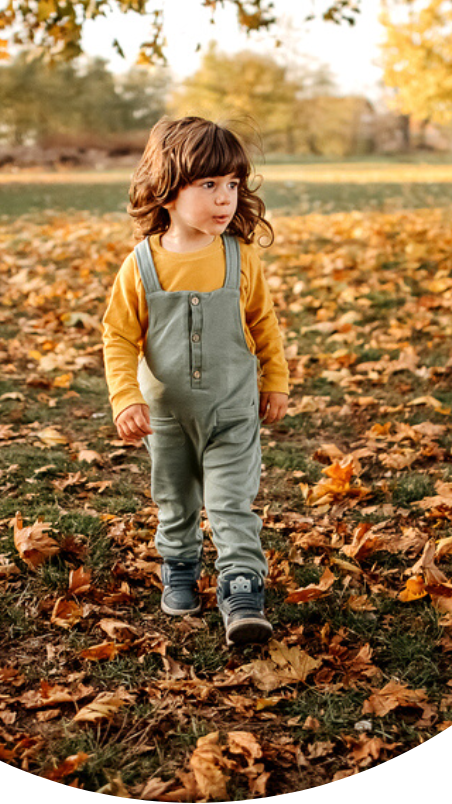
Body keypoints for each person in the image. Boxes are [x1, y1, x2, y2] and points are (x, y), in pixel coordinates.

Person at [100, 116, 290, 645]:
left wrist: (275, 381)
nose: (225, 198)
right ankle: (179, 565)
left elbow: (263, 324)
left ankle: (241, 586)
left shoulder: (240, 257)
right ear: (166, 192)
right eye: (208, 185)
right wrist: (125, 398)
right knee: (176, 497)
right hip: (166, 416)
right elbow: (118, 337)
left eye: (232, 184)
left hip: (233, 410)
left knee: (231, 500)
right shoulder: (141, 266)